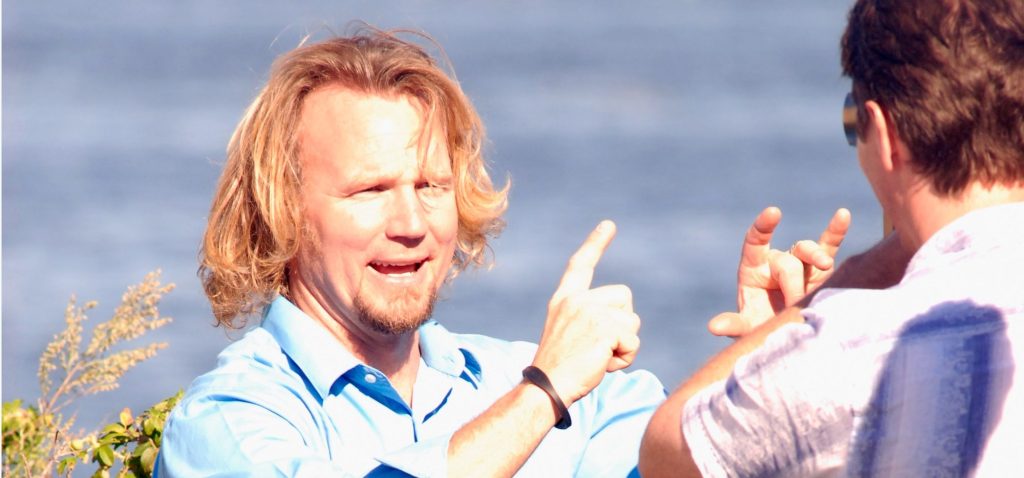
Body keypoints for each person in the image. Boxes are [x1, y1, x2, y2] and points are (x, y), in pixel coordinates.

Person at [157, 30, 667, 477]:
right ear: (280, 211)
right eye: (370, 191)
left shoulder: (543, 383)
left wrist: (729, 364)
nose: (412, 225)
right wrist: (543, 394)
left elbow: (694, 450)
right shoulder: (224, 423)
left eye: (431, 186)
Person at [640, 0, 1024, 475]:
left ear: (884, 134)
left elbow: (666, 451)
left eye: (852, 123)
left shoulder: (848, 352)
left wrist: (816, 309)